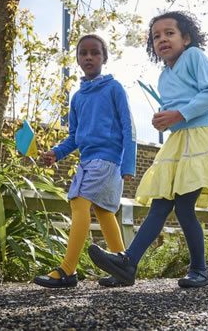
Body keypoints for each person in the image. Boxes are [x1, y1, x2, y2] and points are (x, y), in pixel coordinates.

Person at [88, 11, 208, 288]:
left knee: (184, 205)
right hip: (179, 142)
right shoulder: (164, 76)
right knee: (163, 203)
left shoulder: (195, 57)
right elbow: (175, 108)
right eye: (156, 36)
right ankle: (128, 265)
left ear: (186, 37)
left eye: (169, 33)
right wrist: (164, 117)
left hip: (200, 138)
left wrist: (178, 114)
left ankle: (197, 269)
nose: (162, 39)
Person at [34, 34, 136, 288]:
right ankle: (124, 268)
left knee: (79, 203)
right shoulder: (77, 98)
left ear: (105, 58)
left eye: (95, 53)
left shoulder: (114, 88)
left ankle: (68, 270)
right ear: (78, 59)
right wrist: (55, 153)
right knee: (103, 211)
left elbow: (128, 127)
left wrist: (129, 165)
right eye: (83, 53)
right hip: (88, 160)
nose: (89, 57)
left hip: (107, 160)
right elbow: (74, 137)